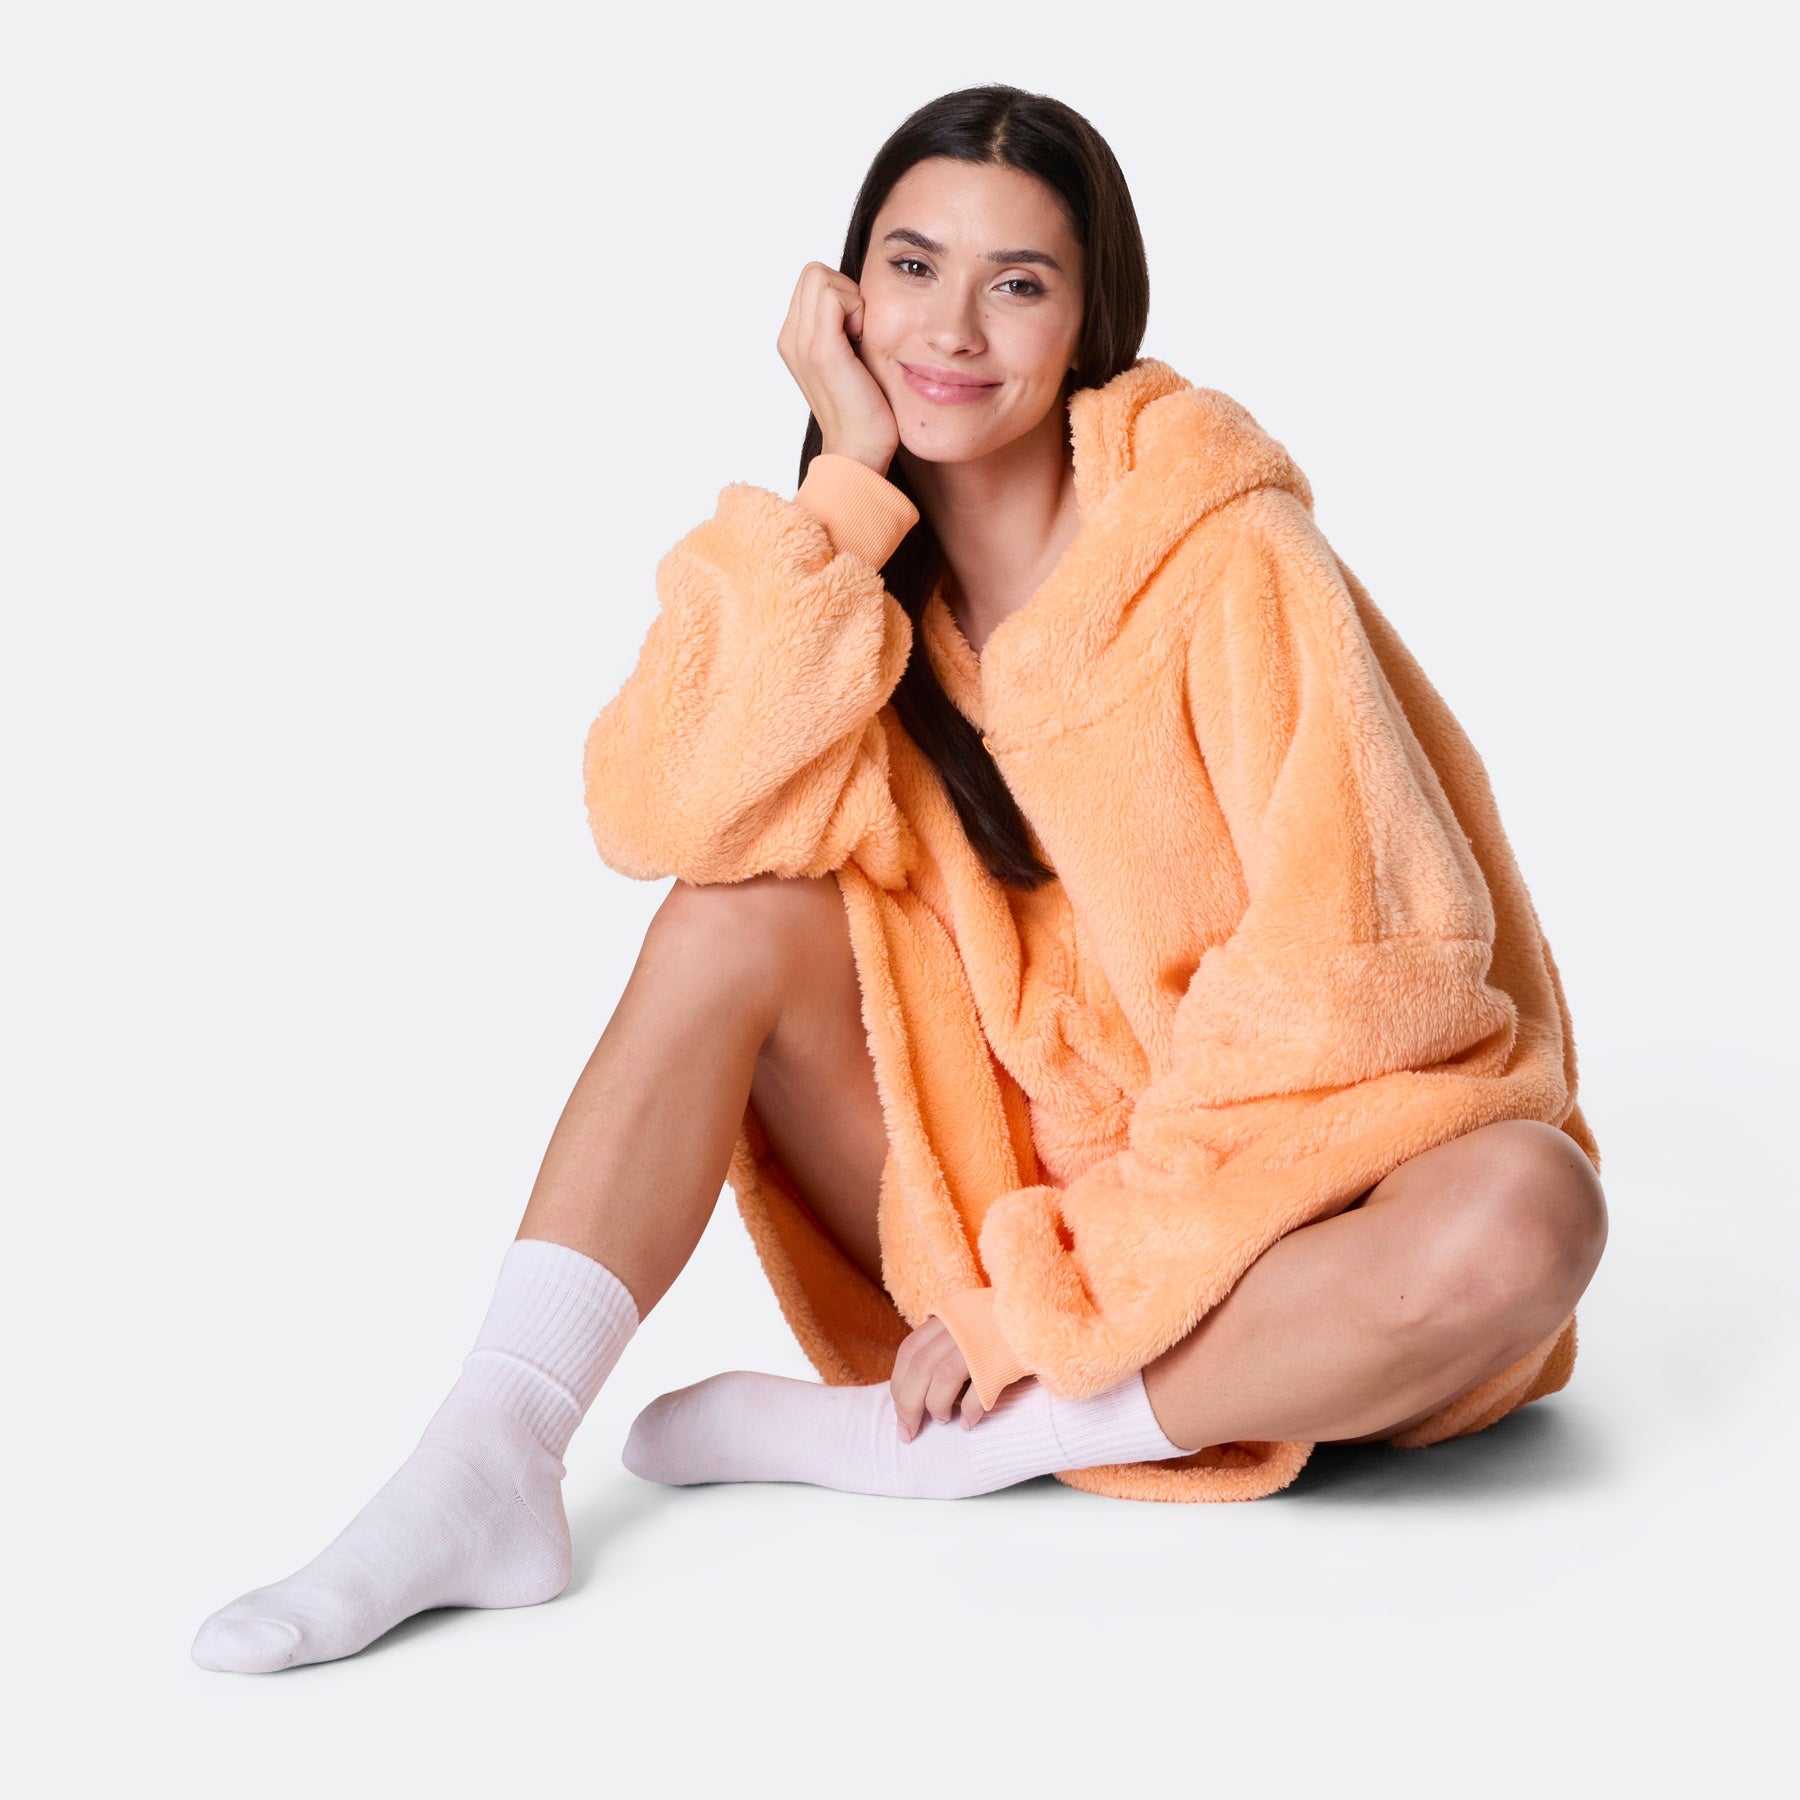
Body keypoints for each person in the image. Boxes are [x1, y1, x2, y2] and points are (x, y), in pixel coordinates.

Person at [193, 84, 1608, 1675]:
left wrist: (1058, 1306)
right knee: (733, 911)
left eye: (1020, 283)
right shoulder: (865, 597)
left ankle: (970, 1441)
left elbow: (1363, 978)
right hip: (1004, 1225)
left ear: (1089, 321)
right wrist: (841, 489)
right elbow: (663, 811)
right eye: (914, 266)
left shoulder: (1224, 554)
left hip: (1288, 1241)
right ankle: (490, 1450)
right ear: (847, 294)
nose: (953, 327)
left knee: (1528, 1210)